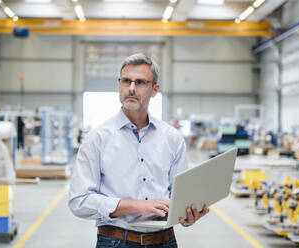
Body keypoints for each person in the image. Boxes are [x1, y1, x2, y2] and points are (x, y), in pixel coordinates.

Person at [69, 53, 209, 247]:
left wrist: (187, 214)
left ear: (155, 89)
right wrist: (135, 206)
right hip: (115, 241)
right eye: (126, 81)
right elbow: (79, 201)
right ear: (119, 85)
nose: (132, 89)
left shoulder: (172, 138)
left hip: (164, 240)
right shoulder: (97, 139)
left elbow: (179, 196)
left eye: (141, 82)